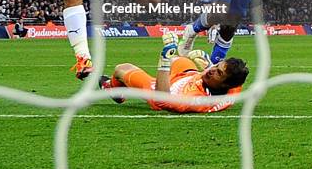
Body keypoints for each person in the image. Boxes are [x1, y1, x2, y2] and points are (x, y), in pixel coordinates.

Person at [99, 32, 249, 113]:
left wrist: (164, 59)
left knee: (122, 68)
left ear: (224, 84)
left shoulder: (196, 100)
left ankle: (112, 89)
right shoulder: (233, 85)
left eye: (219, 73)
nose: (213, 70)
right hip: (189, 76)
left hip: (164, 90)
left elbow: (162, 100)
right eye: (217, 66)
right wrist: (208, 65)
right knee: (180, 59)